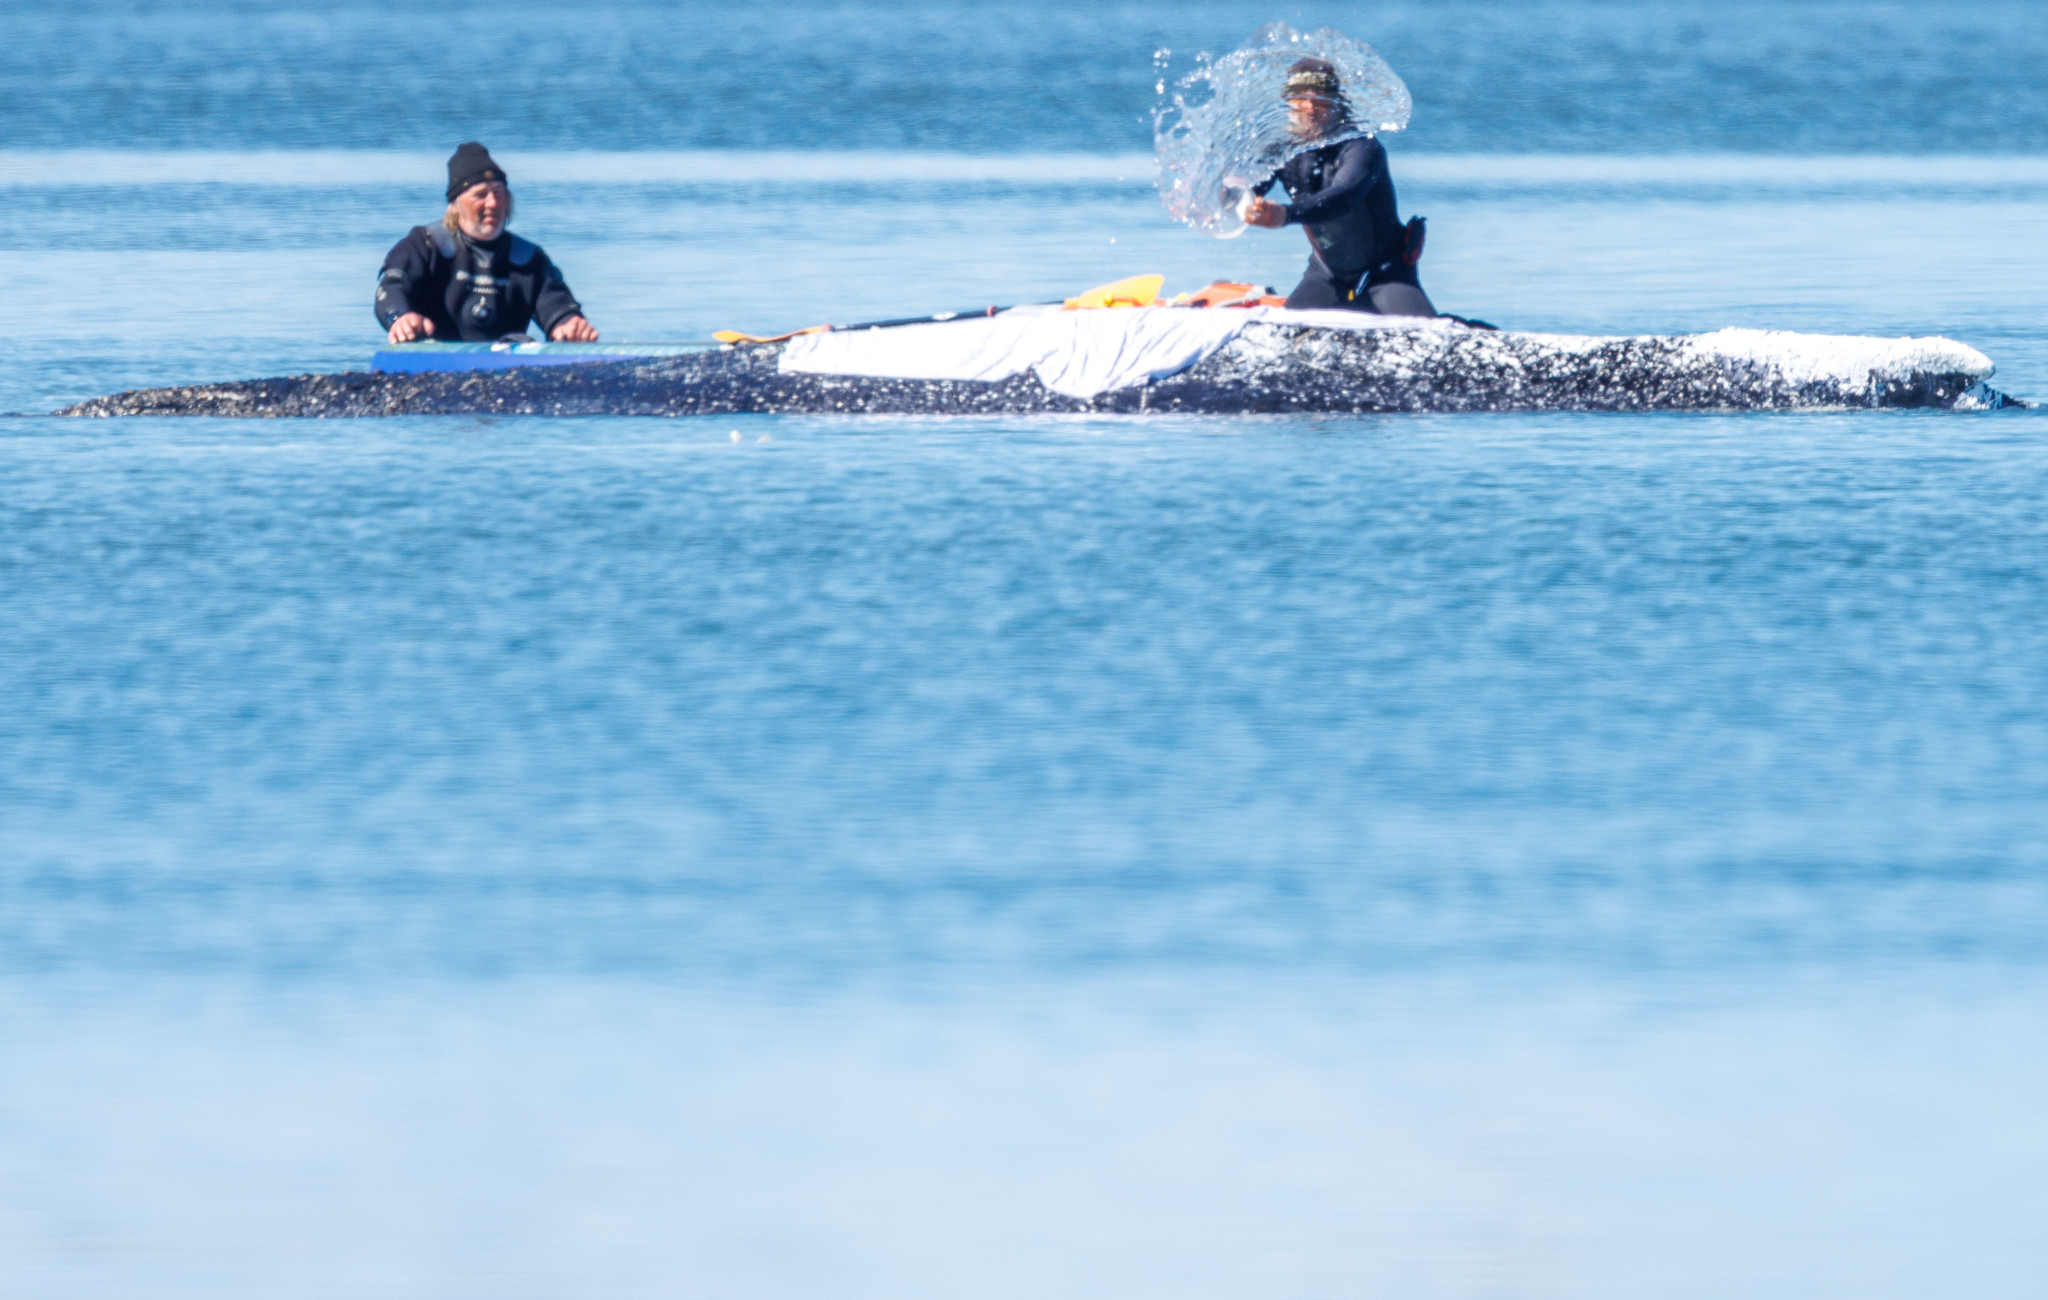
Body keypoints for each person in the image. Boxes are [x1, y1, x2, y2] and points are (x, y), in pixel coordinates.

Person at [1241, 59, 1436, 317]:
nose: (1310, 108)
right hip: (1326, 276)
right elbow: (1249, 190)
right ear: (1288, 102)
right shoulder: (1281, 150)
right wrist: (1220, 194)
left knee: (1423, 332)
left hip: (1387, 274)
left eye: (1320, 100)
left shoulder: (1361, 147)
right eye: (1301, 99)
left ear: (1336, 103)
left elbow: (1343, 196)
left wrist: (1285, 215)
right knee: (1284, 333)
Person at [376, 142, 599, 345]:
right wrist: (400, 318)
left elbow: (557, 306)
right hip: (435, 361)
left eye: (499, 193)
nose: (492, 203)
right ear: (456, 204)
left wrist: (569, 323)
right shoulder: (423, 246)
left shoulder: (528, 258)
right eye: (481, 194)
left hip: (505, 365)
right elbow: (390, 289)